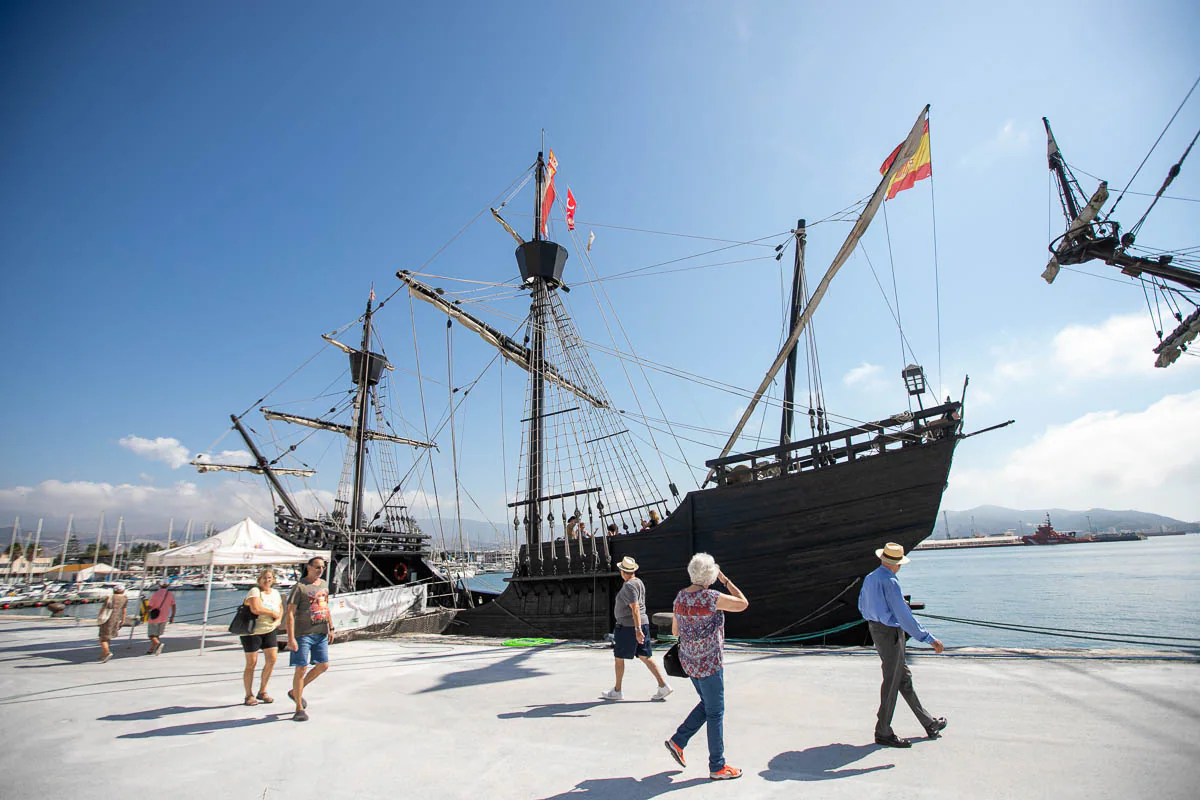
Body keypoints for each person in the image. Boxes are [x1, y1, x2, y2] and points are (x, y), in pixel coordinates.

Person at [664, 553, 748, 781]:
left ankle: (678, 741)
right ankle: (717, 766)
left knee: (707, 705)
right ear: (710, 576)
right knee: (715, 711)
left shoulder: (680, 597)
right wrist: (726, 581)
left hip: (689, 662)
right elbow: (743, 604)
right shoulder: (712, 597)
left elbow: (675, 631)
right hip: (710, 664)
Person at [858, 542, 948, 748]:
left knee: (903, 678)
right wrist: (929, 638)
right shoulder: (890, 582)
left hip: (876, 629)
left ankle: (929, 723)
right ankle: (883, 731)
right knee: (892, 680)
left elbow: (861, 606)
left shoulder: (870, 578)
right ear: (896, 564)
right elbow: (903, 615)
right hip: (890, 634)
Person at [600, 556, 672, 702]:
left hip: (629, 627)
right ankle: (663, 685)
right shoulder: (638, 582)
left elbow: (635, 608)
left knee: (619, 657)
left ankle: (617, 690)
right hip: (639, 625)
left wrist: (637, 629)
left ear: (622, 571)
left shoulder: (628, 586)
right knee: (645, 656)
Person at [286, 556, 334, 722]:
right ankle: (299, 707)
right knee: (301, 668)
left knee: (323, 665)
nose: (320, 570)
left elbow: (325, 607)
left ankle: (295, 691)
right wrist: (291, 638)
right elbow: (290, 614)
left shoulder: (323, 585)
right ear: (308, 567)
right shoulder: (300, 587)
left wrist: (331, 627)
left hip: (320, 632)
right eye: (317, 567)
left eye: (323, 567)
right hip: (303, 634)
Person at [241, 569, 283, 706]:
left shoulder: (275, 593)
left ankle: (263, 690)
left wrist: (278, 619)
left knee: (272, 659)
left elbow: (281, 608)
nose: (267, 580)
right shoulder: (254, 591)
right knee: (251, 663)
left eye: (270, 578)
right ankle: (248, 694)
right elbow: (256, 608)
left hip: (269, 629)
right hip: (253, 631)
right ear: (259, 579)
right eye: (264, 578)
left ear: (274, 579)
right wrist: (273, 613)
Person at [97, 585, 129, 663]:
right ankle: (103, 654)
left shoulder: (110, 597)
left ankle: (107, 652)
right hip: (116, 619)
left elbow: (103, 608)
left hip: (107, 619)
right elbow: (124, 611)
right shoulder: (125, 599)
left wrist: (99, 617)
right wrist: (123, 620)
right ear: (123, 591)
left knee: (102, 638)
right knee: (108, 637)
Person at [144, 580, 176, 655]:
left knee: (151, 635)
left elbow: (150, 606)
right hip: (164, 617)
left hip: (155, 617)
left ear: (159, 585)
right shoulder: (170, 594)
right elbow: (173, 605)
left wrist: (145, 611)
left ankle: (158, 644)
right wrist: (172, 616)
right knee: (157, 634)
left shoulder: (156, 594)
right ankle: (152, 649)